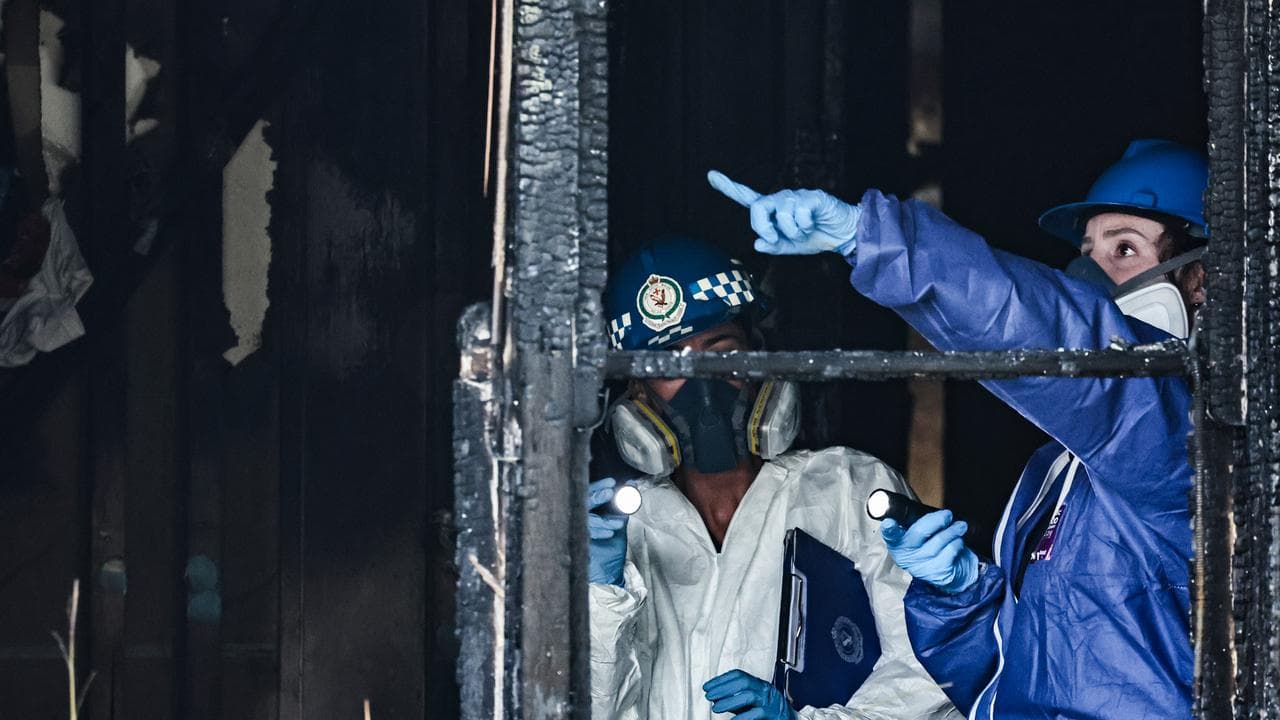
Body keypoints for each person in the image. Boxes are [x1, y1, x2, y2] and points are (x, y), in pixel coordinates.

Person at [707, 139, 1206, 719]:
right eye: (1086, 251)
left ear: (1200, 282)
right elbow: (1005, 682)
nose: (1088, 275)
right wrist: (959, 594)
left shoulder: (1183, 432)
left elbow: (1036, 321)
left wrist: (871, 238)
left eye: (1124, 248)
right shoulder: (1055, 473)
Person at [589, 236, 961, 720]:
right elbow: (581, 707)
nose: (703, 385)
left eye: (723, 351)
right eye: (668, 362)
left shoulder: (848, 488)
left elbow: (933, 671)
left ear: (759, 358)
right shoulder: (625, 528)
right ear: (638, 387)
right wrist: (601, 599)